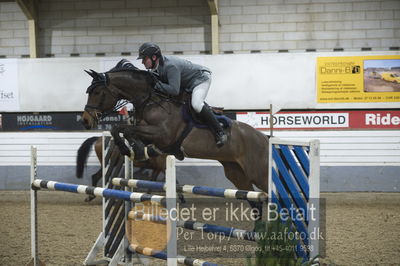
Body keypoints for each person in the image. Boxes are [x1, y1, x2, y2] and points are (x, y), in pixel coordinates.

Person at [137, 42, 227, 147]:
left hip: (201, 79)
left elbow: (174, 90)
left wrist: (157, 85)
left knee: (196, 104)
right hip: (187, 83)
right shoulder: (155, 68)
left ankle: (219, 131)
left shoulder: (170, 66)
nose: (142, 62)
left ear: (153, 57)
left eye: (144, 58)